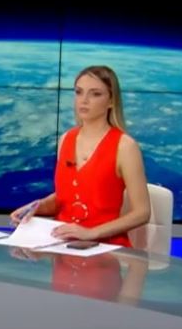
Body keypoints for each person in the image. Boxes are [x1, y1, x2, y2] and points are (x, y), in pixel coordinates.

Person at [9, 65, 151, 247]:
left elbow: (142, 212)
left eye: (95, 94)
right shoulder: (65, 140)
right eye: (79, 92)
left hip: (105, 248)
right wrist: (36, 207)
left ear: (111, 101)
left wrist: (92, 233)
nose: (84, 100)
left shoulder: (125, 146)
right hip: (62, 244)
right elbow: (65, 198)